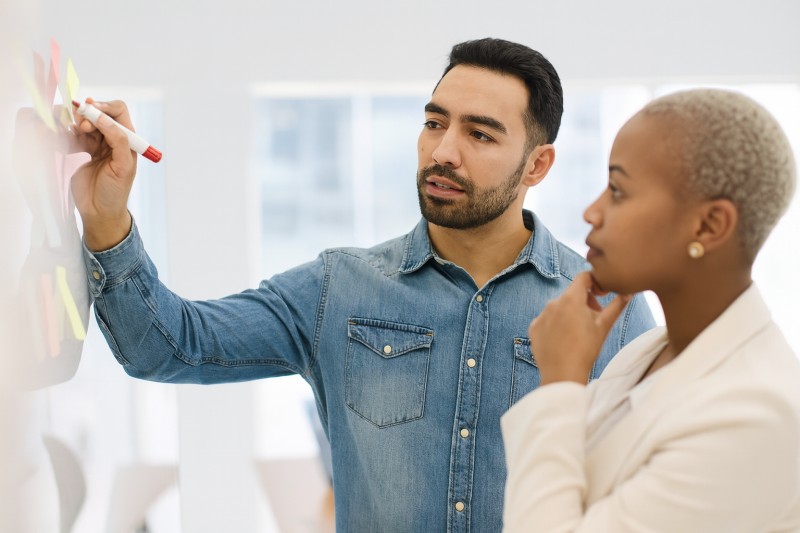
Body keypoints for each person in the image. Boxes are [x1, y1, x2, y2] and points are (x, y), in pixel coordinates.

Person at [68, 38, 655, 531]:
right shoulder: (338, 289)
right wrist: (105, 218)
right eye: (433, 122)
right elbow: (167, 346)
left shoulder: (613, 310)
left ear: (537, 165)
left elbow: (652, 494)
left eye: (479, 134)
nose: (442, 151)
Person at [501, 88, 800, 532]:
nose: (592, 211)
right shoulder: (642, 355)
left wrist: (560, 382)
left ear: (709, 225)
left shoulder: (757, 415)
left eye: (618, 191)